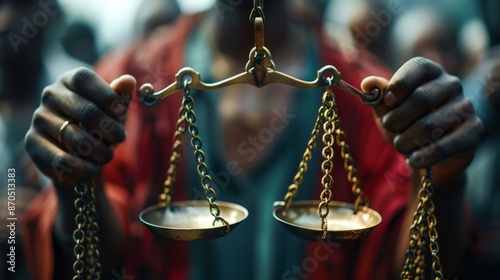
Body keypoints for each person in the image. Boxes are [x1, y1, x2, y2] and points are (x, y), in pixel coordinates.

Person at [23, 1, 484, 279]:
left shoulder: (374, 97)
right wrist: (73, 182)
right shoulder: (123, 85)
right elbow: (91, 260)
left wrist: (440, 182)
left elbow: (414, 267)